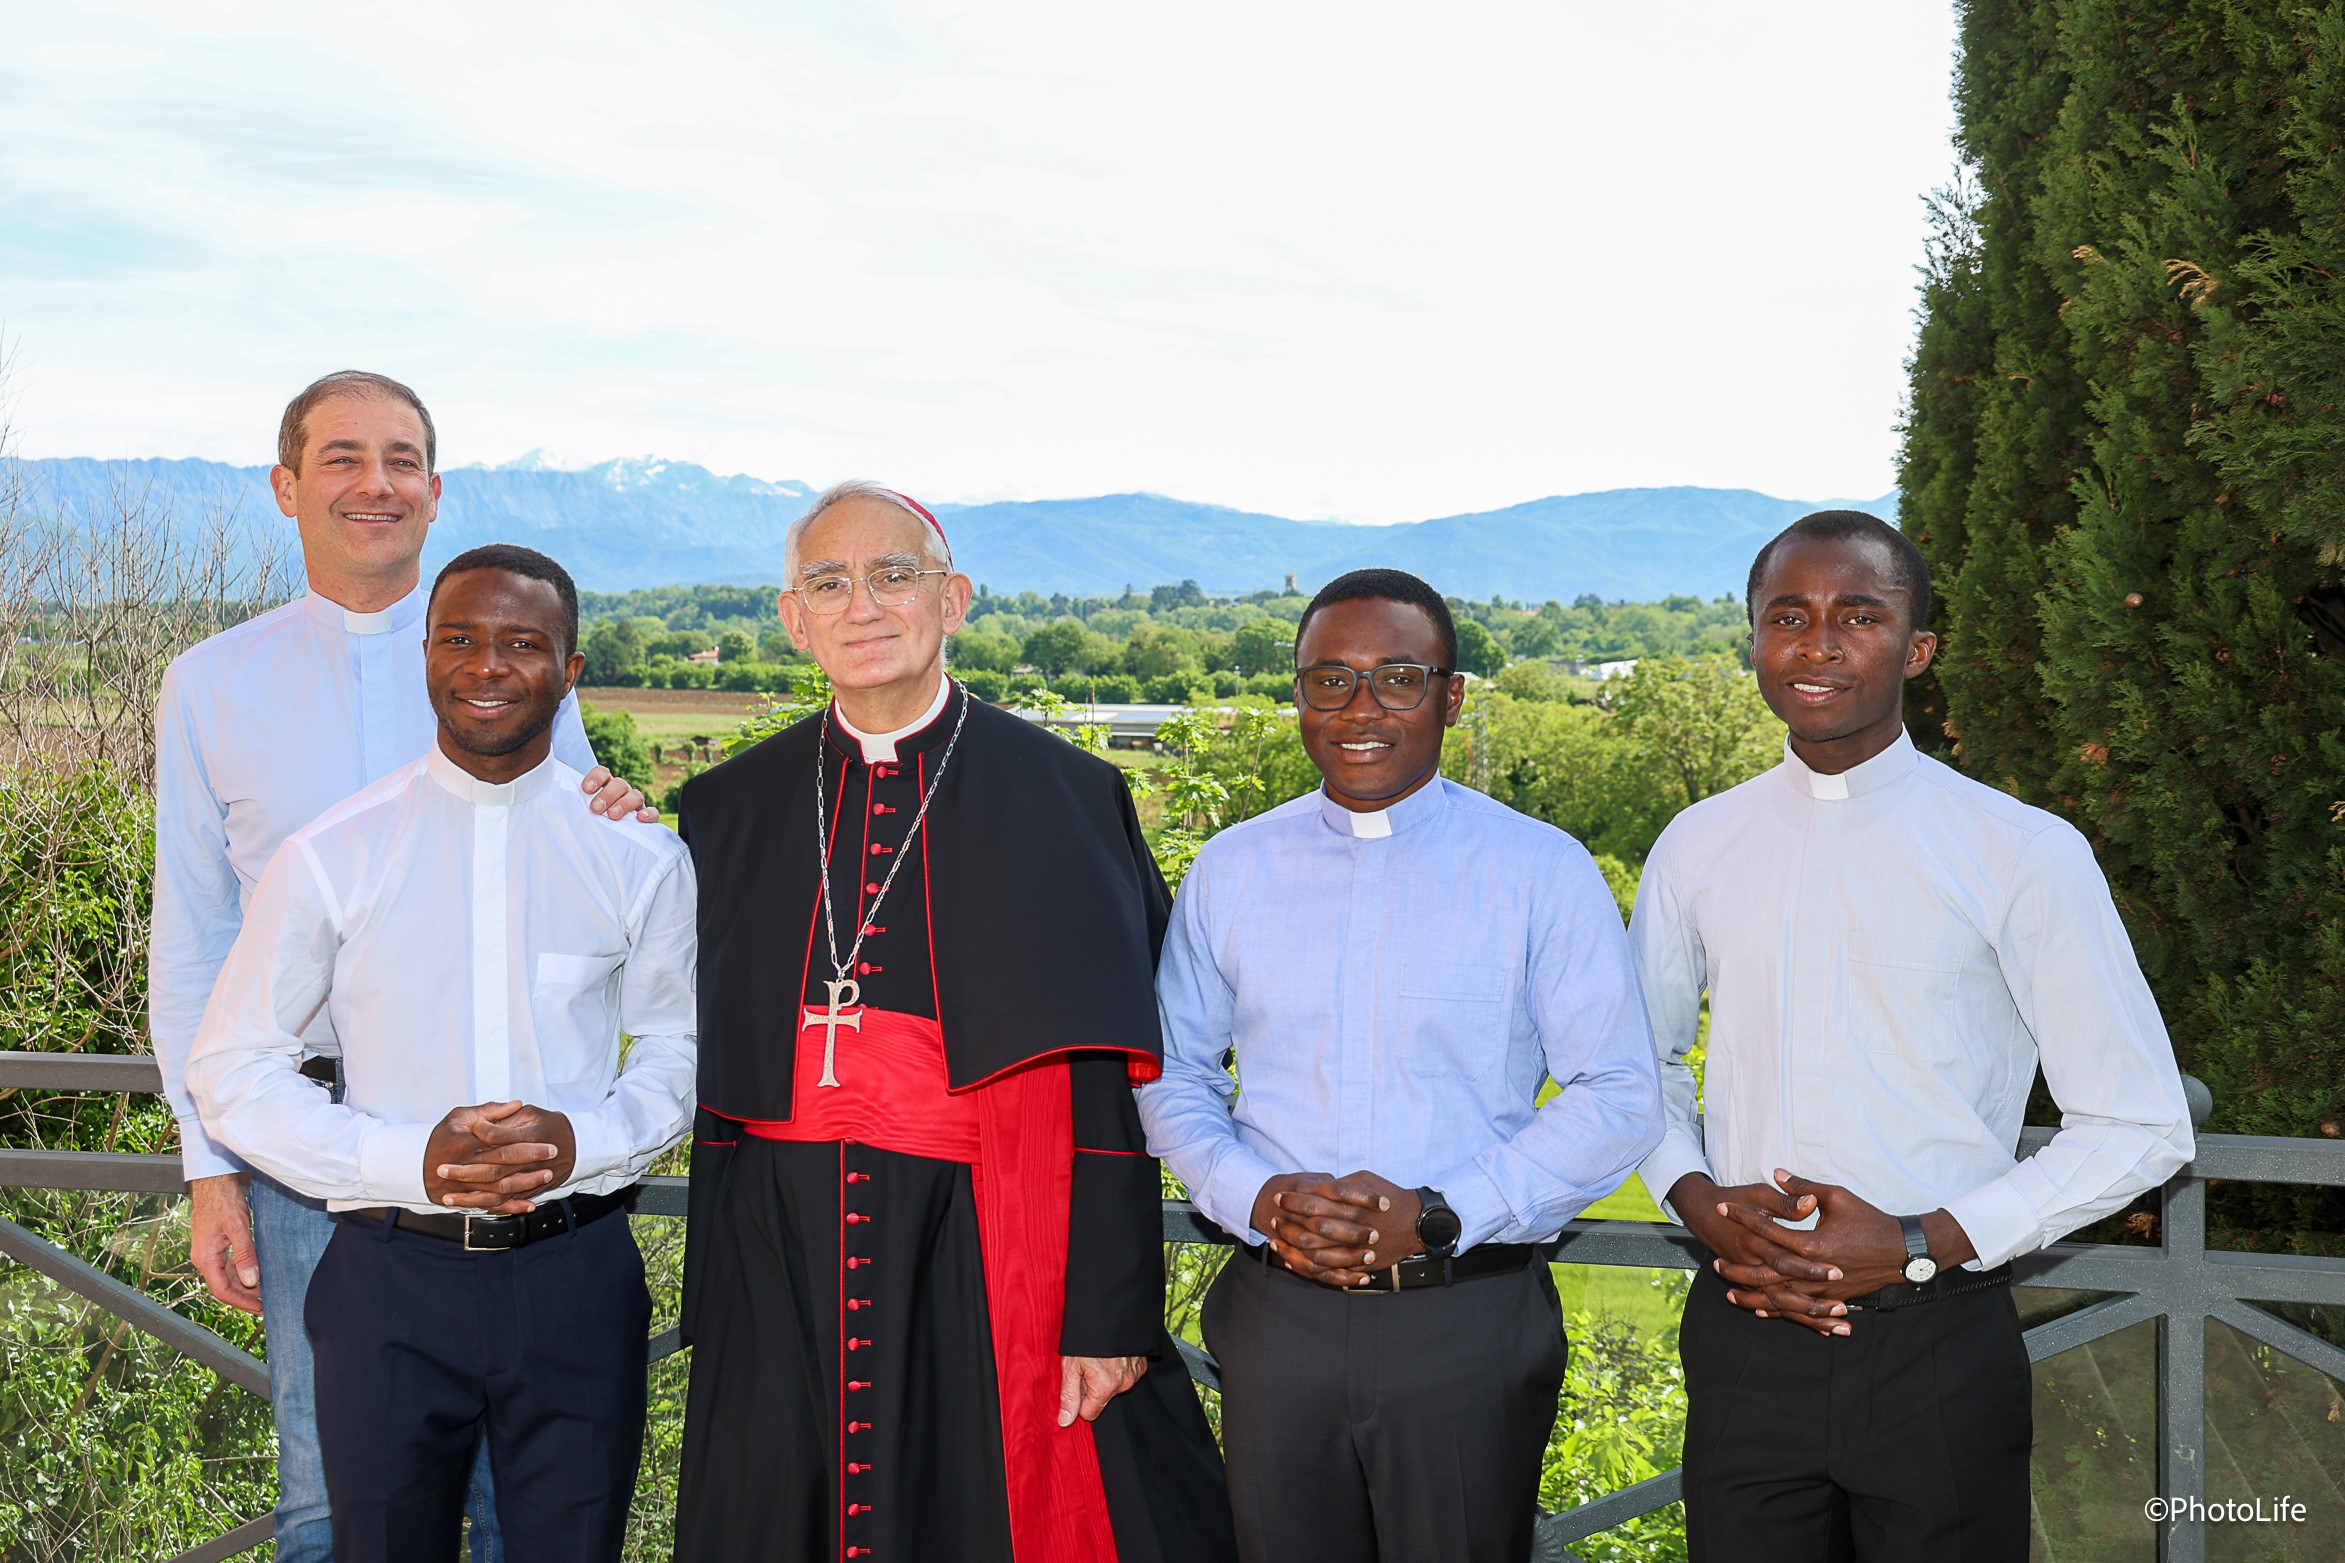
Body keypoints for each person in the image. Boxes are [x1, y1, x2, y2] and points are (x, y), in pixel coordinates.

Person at [673, 481, 1235, 1563]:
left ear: (953, 600)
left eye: (893, 575)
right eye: (827, 583)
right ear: (792, 619)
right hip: (779, 1249)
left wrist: (1108, 1308)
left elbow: (1115, 1079)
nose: (862, 605)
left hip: (979, 1238)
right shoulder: (725, 807)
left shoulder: (1067, 798)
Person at [150, 371, 650, 1561]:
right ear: (287, 487)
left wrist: (620, 817)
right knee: (332, 1507)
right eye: (341, 458)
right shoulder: (211, 682)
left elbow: (587, 874)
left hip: (506, 1131)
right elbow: (195, 938)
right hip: (311, 1148)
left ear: (434, 492)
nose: (374, 484)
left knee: (512, 1507)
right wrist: (206, 1162)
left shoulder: (510, 661)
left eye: (401, 460)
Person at [1633, 510, 2195, 1562]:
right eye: (1786, 616)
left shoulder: (2021, 852)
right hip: (1742, 1330)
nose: (1817, 643)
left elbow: (2140, 1124)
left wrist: (1913, 1243)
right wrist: (1700, 1204)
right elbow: (1638, 1065)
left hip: (1936, 1344)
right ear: (1751, 638)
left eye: (1858, 615)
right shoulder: (1694, 845)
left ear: (1916, 649)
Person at [1140, 567, 1666, 1563]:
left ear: (1450, 694)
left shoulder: (1538, 869)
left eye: (1396, 677)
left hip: (1462, 1320)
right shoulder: (1233, 868)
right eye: (1327, 680)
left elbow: (1618, 1092)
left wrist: (1436, 1211)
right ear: (1296, 694)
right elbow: (1170, 1069)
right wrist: (1257, 1197)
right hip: (1272, 1316)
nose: (1359, 709)